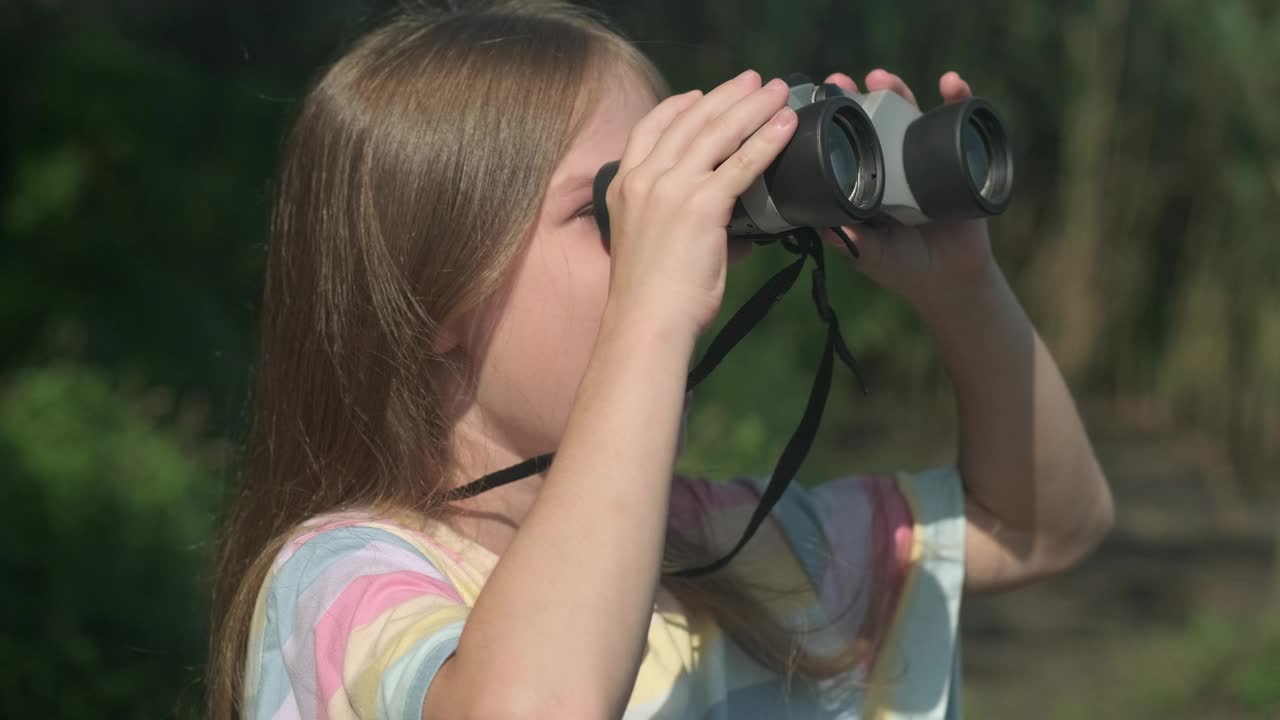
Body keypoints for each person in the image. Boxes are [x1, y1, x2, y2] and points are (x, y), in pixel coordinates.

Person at [208, 2, 1115, 718]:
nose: (689, 242)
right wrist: (650, 312)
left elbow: (1042, 526)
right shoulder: (347, 581)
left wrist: (962, 291)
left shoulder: (733, 548)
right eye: (617, 211)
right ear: (435, 296)